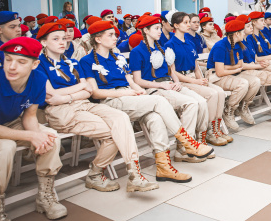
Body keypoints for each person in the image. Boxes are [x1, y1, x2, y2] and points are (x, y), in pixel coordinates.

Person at [36, 22, 159, 193]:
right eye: (55, 39)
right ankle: (95, 173)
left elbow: (88, 91)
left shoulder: (72, 62)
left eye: (63, 38)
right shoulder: (39, 64)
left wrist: (66, 96)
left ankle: (134, 175)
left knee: (120, 119)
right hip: (61, 111)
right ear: (43, 42)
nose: (62, 42)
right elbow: (50, 96)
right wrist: (79, 88)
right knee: (116, 132)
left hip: (83, 104)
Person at [81, 20, 192, 184]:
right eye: (110, 35)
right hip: (110, 101)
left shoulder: (118, 57)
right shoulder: (86, 60)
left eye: (115, 35)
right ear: (98, 39)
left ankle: (164, 167)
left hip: (128, 97)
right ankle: (187, 142)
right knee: (158, 101)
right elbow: (96, 93)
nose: (115, 38)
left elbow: (131, 81)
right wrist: (128, 92)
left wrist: (139, 91)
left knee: (155, 117)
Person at [0, 37, 68, 221]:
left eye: (21, 62)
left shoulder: (38, 79)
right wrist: (31, 136)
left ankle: (45, 197)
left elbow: (30, 117)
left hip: (9, 122)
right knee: (5, 147)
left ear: (34, 64)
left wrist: (38, 137)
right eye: (8, 59)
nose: (12, 66)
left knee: (50, 136)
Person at [130, 16, 214, 162]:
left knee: (201, 101)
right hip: (154, 87)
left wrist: (177, 82)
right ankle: (184, 148)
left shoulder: (162, 49)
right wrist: (161, 85)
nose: (159, 31)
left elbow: (171, 71)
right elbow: (138, 80)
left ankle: (195, 141)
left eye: (159, 28)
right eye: (156, 28)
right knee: (191, 103)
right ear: (145, 30)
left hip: (170, 84)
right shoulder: (137, 51)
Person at [167, 12, 231, 146]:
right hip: (182, 79)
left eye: (188, 22)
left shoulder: (189, 42)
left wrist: (201, 79)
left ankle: (215, 128)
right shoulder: (170, 44)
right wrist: (195, 82)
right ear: (176, 25)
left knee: (219, 92)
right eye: (185, 22)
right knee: (212, 94)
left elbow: (196, 65)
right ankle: (206, 132)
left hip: (193, 77)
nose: (188, 25)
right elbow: (172, 71)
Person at [207, 20, 262, 129]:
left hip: (230, 74)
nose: (244, 33)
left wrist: (228, 67)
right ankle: (228, 111)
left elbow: (239, 65)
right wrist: (234, 69)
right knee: (243, 83)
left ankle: (243, 107)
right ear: (237, 33)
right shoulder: (220, 46)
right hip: (216, 77)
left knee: (256, 81)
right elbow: (220, 72)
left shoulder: (238, 45)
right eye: (242, 31)